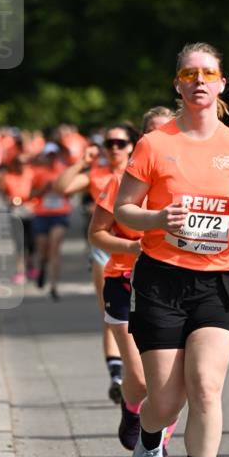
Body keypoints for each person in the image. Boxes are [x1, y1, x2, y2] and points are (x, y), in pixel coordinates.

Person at [114, 43, 229, 457]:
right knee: (166, 401)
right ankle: (150, 435)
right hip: (162, 279)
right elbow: (123, 210)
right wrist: (158, 218)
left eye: (208, 73)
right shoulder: (154, 144)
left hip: (221, 279)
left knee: (205, 385)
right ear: (177, 84)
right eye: (189, 73)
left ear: (222, 83)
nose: (199, 81)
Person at [89, 108, 179, 457]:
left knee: (172, 378)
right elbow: (96, 234)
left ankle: (158, 444)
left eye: (170, 132)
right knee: (140, 381)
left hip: (172, 283)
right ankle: (131, 409)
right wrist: (133, 247)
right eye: (154, 134)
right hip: (124, 281)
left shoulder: (188, 181)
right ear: (143, 140)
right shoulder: (120, 182)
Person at [54, 124, 137, 400]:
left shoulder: (139, 176)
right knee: (111, 314)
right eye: (109, 143)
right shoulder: (97, 174)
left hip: (140, 250)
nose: (114, 148)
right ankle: (117, 375)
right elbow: (61, 187)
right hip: (105, 248)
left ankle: (137, 370)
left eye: (120, 143)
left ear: (131, 146)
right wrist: (82, 162)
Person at [30, 141, 71, 300]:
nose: (51, 158)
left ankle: (54, 286)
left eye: (53, 155)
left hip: (60, 214)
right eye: (49, 155)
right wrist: (44, 189)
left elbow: (71, 193)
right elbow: (31, 194)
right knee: (43, 252)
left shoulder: (64, 171)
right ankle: (41, 268)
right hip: (42, 214)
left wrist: (61, 188)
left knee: (54, 248)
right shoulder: (38, 172)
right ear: (45, 156)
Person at [0, 156, 37, 283]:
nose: (22, 166)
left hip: (30, 210)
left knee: (31, 242)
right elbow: (4, 194)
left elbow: (37, 188)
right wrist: (10, 200)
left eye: (24, 163)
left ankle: (31, 266)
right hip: (16, 211)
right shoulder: (8, 177)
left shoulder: (31, 174)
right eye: (20, 163)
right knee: (20, 243)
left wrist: (33, 199)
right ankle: (20, 271)